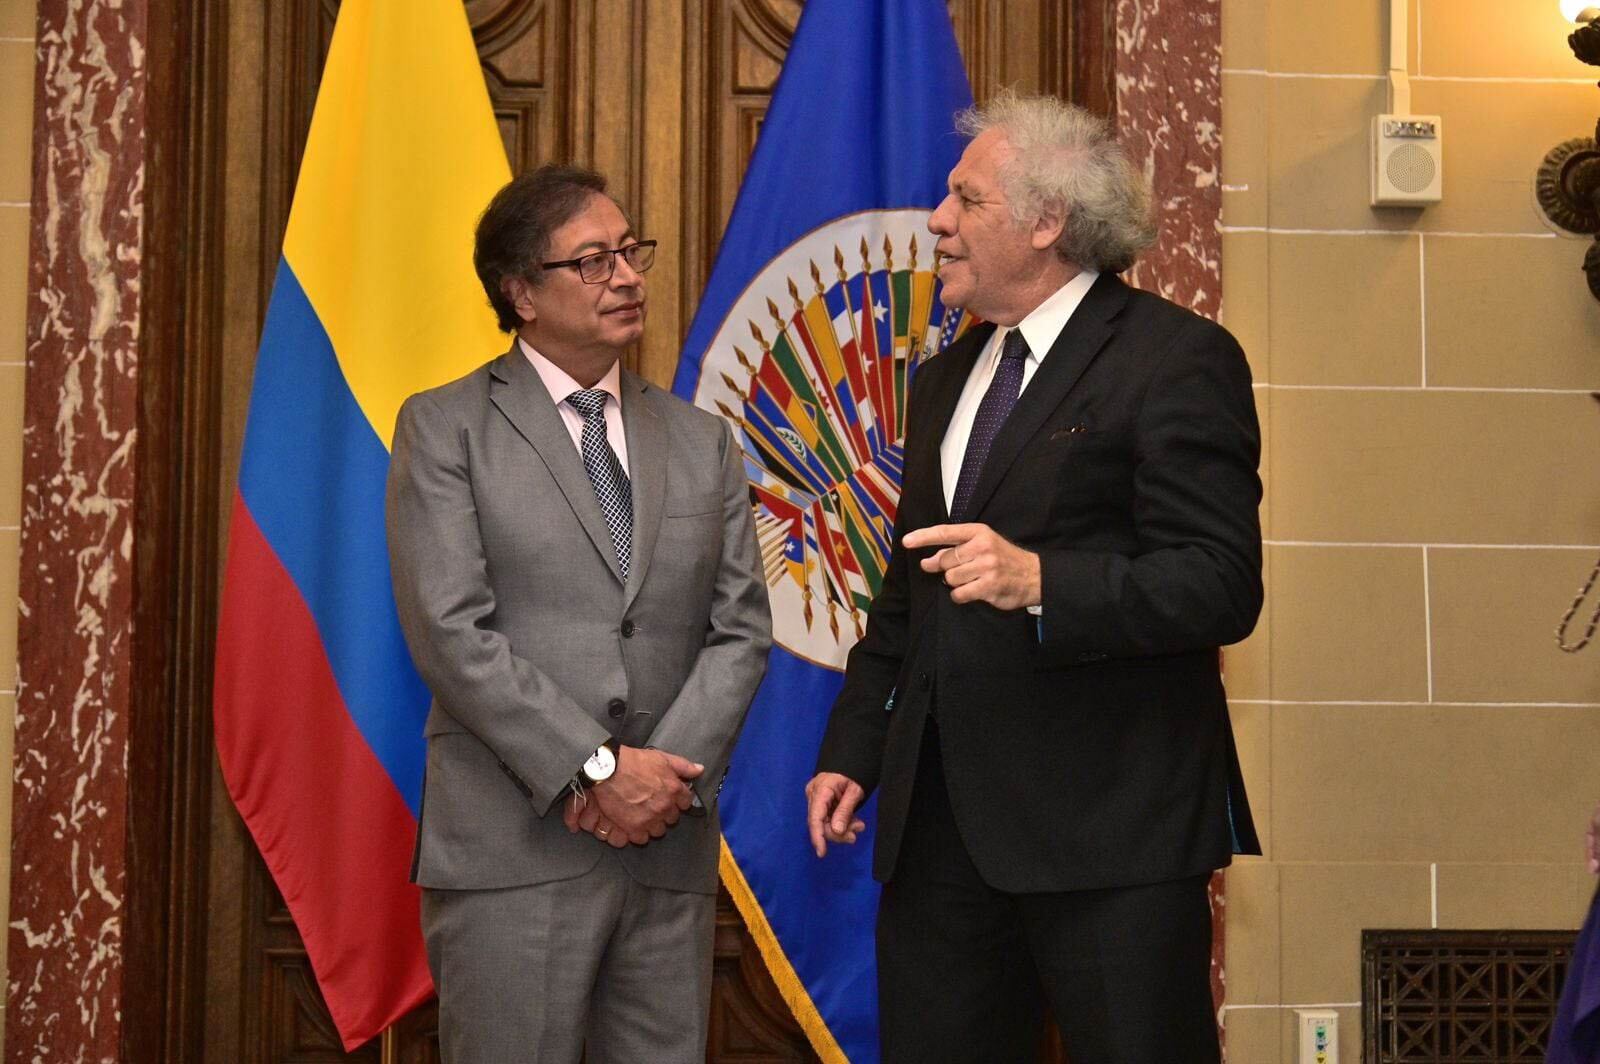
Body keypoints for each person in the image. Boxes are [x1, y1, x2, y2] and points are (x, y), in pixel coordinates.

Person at [803, 93, 1263, 1063]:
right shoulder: (944, 378)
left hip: (1111, 838)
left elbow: (1219, 583)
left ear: (1047, 221)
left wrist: (1043, 579)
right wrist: (853, 747)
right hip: (938, 840)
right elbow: (907, 591)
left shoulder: (1173, 360)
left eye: (964, 198)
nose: (936, 220)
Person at [387, 164, 771, 1063]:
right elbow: (450, 630)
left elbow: (740, 628)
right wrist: (595, 769)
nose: (629, 277)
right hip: (513, 851)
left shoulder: (701, 438)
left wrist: (659, 783)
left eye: (630, 252)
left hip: (664, 850)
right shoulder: (446, 428)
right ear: (521, 292)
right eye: (593, 261)